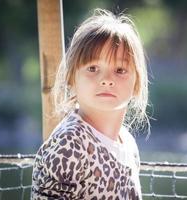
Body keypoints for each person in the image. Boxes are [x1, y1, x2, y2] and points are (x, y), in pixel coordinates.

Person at [31, 8, 150, 200]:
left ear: (137, 83)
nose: (106, 80)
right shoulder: (69, 144)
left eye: (120, 70)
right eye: (93, 68)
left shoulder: (128, 143)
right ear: (71, 79)